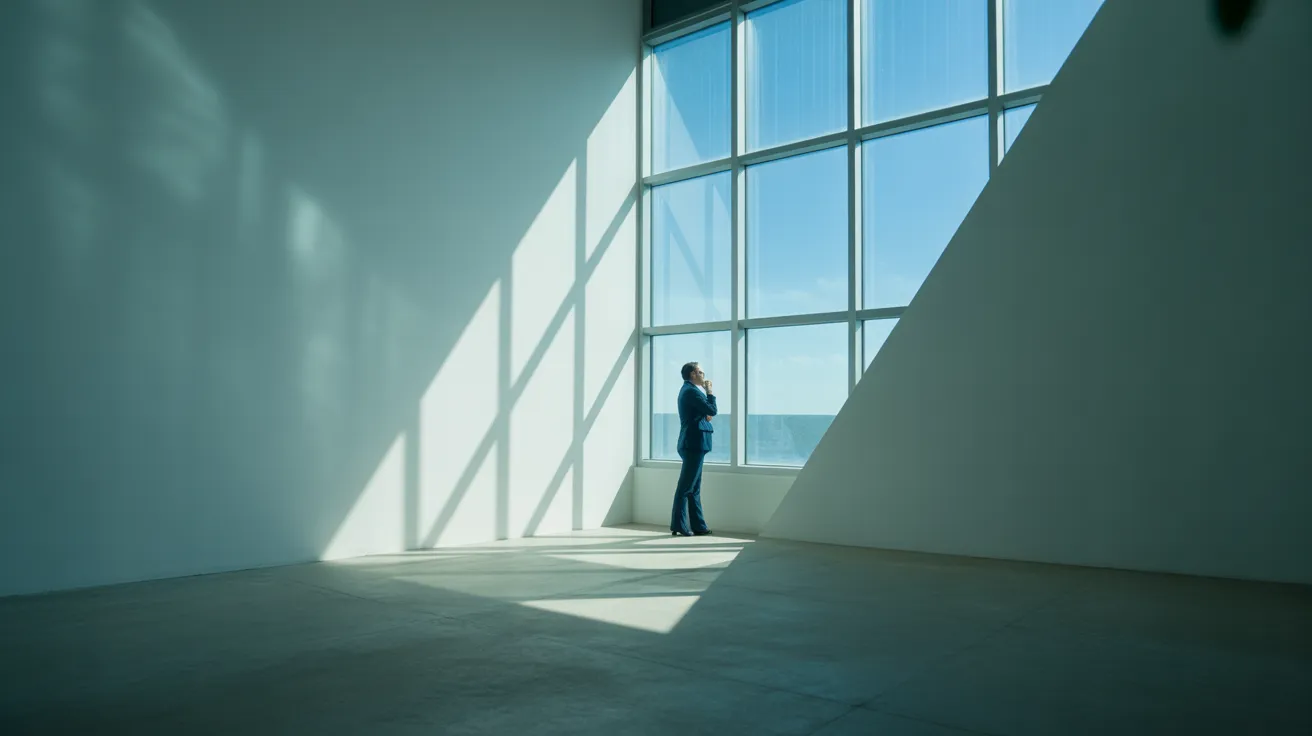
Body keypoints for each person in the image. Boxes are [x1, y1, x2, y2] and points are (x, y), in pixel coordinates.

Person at [671, 361, 716, 537]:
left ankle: (699, 526)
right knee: (686, 488)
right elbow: (712, 409)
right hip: (693, 444)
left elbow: (706, 413)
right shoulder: (691, 391)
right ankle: (680, 525)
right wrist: (710, 392)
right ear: (693, 374)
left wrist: (705, 414)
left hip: (694, 443)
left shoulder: (689, 391)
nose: (704, 376)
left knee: (693, 488)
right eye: (701, 373)